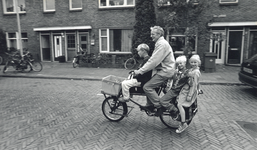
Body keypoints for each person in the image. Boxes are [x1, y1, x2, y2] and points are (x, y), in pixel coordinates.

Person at [134, 26, 176, 110]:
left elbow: (153, 61)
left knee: (147, 87)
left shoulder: (162, 44)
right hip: (165, 70)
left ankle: (161, 106)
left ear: (159, 34)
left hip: (165, 71)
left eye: (152, 34)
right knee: (149, 83)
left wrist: (140, 71)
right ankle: (150, 105)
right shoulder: (160, 43)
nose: (151, 36)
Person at [176, 54, 201, 133]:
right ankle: (182, 121)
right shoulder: (192, 70)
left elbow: (194, 84)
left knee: (180, 105)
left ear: (198, 63)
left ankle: (183, 124)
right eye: (192, 62)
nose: (193, 64)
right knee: (180, 104)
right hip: (185, 90)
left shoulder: (196, 72)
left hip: (187, 91)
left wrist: (190, 95)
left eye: (195, 62)